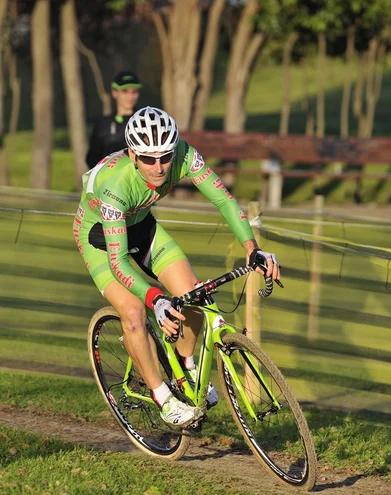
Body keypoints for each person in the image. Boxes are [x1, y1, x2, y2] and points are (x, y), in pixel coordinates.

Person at [74, 106, 280, 427]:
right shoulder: (114, 187)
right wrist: (155, 299)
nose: (159, 167)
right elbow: (118, 262)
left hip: (141, 225)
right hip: (99, 236)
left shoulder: (184, 155)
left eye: (165, 157)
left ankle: (185, 369)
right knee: (133, 313)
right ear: (132, 155)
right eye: (148, 159)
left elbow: (223, 200)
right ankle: (162, 397)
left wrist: (253, 248)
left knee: (195, 295)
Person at [86, 71, 142, 169]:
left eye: (134, 92)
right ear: (114, 93)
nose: (130, 96)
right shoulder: (102, 125)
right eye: (125, 91)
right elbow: (92, 157)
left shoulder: (145, 122)